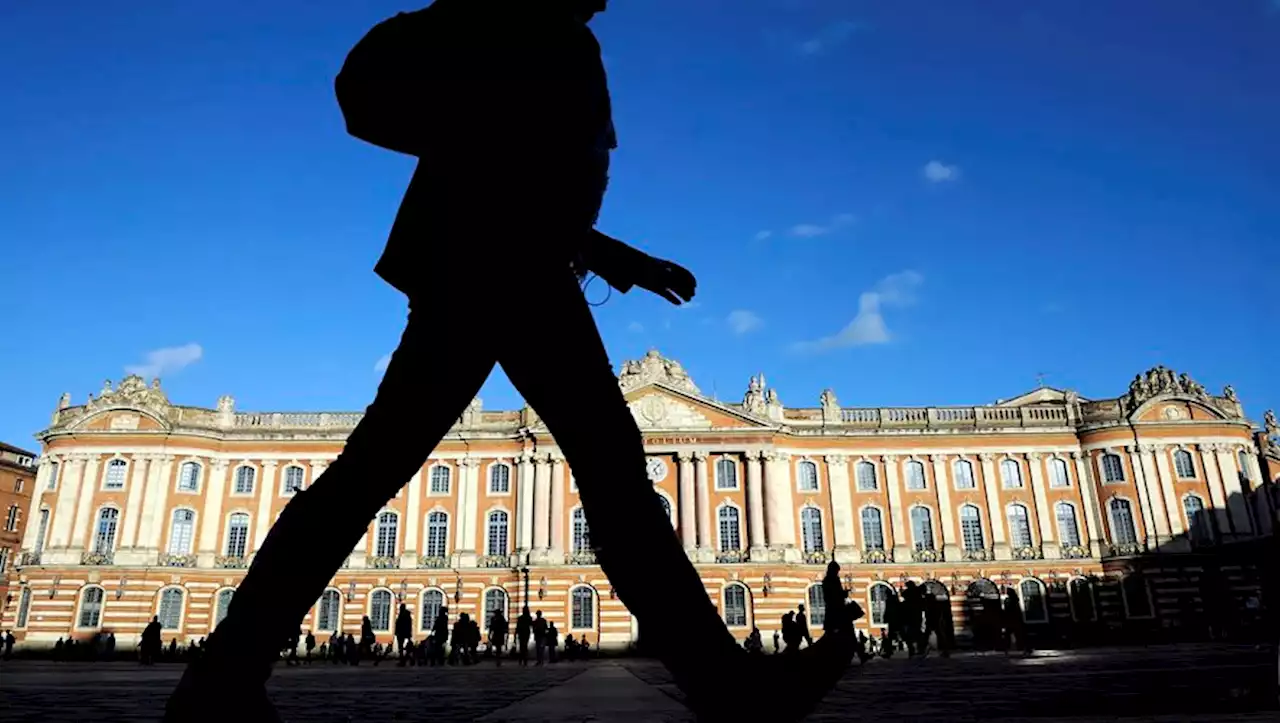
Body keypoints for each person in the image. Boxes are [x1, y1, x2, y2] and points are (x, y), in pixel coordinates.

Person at [165, 2, 854, 720]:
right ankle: (727, 686)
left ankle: (224, 674)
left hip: (515, 263)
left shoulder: (553, 36)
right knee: (597, 470)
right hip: (494, 266)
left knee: (390, 470)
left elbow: (538, 182)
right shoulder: (502, 21)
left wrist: (613, 254)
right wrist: (467, 123)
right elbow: (367, 96)